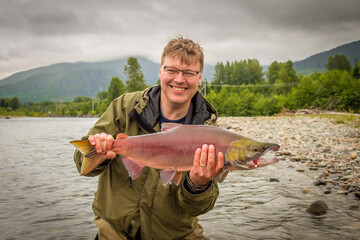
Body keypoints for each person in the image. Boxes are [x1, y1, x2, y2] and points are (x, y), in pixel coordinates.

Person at [74, 36, 224, 240]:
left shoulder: (211, 134)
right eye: (171, 70)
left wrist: (198, 184)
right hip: (114, 231)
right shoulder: (125, 107)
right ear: (160, 71)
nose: (179, 79)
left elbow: (197, 207)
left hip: (175, 235)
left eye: (189, 73)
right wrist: (98, 150)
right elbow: (82, 162)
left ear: (199, 78)